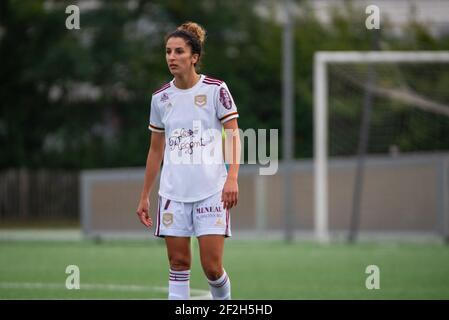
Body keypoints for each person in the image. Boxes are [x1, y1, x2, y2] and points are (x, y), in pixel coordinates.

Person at [136, 21, 240, 300]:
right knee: (178, 264)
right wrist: (145, 195)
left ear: (194, 57)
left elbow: (233, 135)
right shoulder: (160, 98)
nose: (171, 57)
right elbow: (155, 150)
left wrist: (232, 178)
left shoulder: (216, 89)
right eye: (168, 51)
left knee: (212, 268)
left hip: (211, 193)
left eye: (179, 51)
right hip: (173, 194)